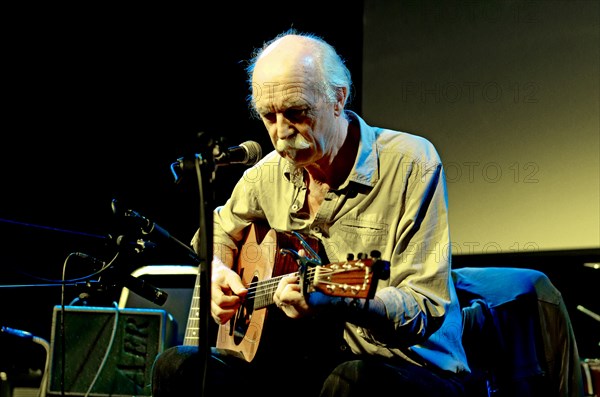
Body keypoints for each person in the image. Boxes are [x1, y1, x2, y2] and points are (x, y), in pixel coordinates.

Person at [152, 29, 475, 397]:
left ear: (338, 98)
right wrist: (219, 271)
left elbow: (423, 305)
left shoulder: (410, 162)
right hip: (300, 362)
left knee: (351, 382)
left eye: (296, 112)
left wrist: (340, 301)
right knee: (178, 367)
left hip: (408, 365)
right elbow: (216, 230)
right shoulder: (267, 173)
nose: (281, 133)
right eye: (268, 116)